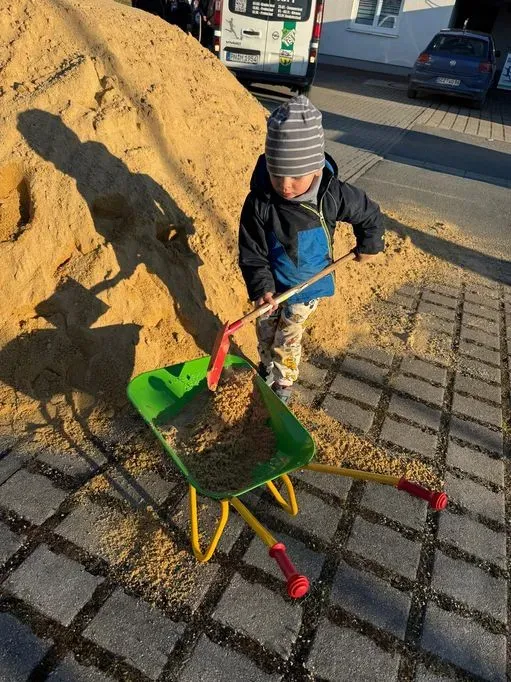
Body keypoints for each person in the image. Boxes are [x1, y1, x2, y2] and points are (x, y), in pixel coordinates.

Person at [238, 95, 385, 404]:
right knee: (265, 327)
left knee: (287, 335)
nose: (286, 185)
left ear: (316, 169)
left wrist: (369, 243)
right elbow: (252, 251)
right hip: (274, 286)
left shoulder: (331, 194)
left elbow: (369, 213)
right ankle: (266, 367)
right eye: (278, 174)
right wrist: (262, 287)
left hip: (309, 284)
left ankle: (284, 384)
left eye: (296, 176)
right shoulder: (261, 201)